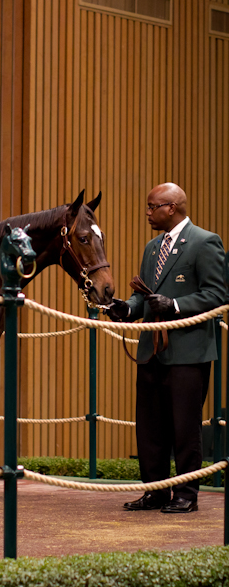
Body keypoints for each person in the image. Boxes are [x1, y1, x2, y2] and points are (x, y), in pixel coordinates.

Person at [109, 183, 226, 513]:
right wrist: (127, 309)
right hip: (151, 351)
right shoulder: (152, 247)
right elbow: (144, 296)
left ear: (171, 208)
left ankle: (187, 494)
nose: (147, 213)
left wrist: (175, 305)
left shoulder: (205, 242)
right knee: (150, 427)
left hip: (188, 352)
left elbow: (217, 294)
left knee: (185, 427)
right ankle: (156, 491)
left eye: (152, 206)